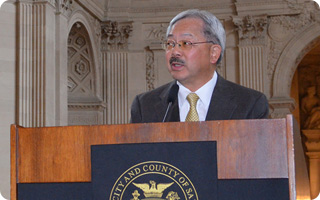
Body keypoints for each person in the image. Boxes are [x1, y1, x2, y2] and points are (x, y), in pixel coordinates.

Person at [130, 9, 269, 123]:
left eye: (186, 43)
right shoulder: (144, 106)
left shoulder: (250, 103)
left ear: (214, 53)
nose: (175, 52)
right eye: (170, 44)